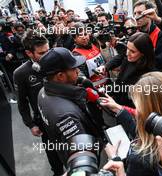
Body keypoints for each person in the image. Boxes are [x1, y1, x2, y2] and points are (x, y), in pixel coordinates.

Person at [101, 71, 162, 176]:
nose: (137, 111)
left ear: (149, 114)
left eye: (138, 106)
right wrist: (119, 109)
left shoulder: (140, 159)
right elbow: (143, 132)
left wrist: (116, 160)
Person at [38, 47, 105, 166]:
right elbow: (83, 164)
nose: (78, 71)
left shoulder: (43, 91)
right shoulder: (67, 116)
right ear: (60, 76)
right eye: (74, 68)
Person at [13, 30, 64, 175]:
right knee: (54, 156)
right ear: (29, 53)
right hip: (44, 121)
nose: (47, 56)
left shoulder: (56, 61)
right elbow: (22, 102)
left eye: (49, 51)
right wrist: (31, 124)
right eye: (42, 53)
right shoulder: (20, 73)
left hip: (65, 114)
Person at [97, 32, 155, 107]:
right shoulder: (129, 59)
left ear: (143, 53)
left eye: (133, 51)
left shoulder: (148, 75)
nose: (127, 53)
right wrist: (106, 90)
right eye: (127, 48)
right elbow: (120, 81)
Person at [133, 0, 162, 71]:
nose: (136, 17)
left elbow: (160, 65)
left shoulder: (159, 34)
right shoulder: (135, 33)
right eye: (135, 13)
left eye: (140, 13)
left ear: (149, 14)